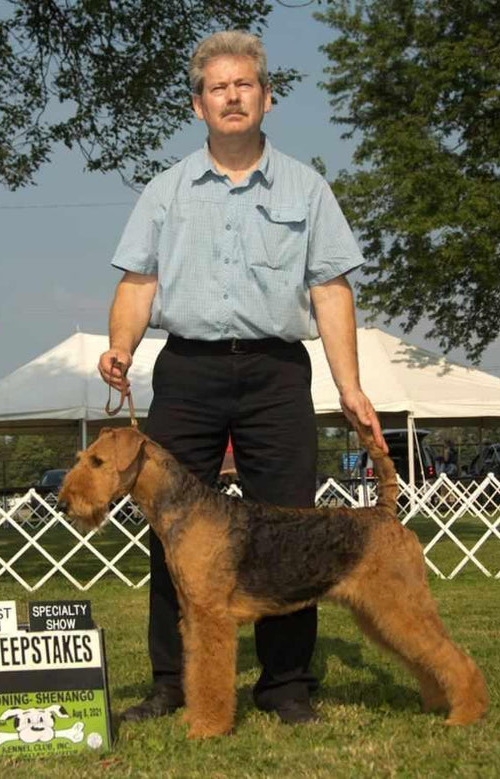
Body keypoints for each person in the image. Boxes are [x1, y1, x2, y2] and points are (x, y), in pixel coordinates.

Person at [99, 30, 386, 726]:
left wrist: (349, 386)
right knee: (171, 528)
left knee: (292, 526)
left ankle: (286, 685)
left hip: (276, 372)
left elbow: (331, 290)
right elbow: (138, 282)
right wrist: (120, 347)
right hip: (188, 370)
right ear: (197, 105)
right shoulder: (165, 190)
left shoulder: (307, 188)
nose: (231, 96)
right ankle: (171, 683)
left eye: (244, 85)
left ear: (267, 97)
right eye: (217, 87)